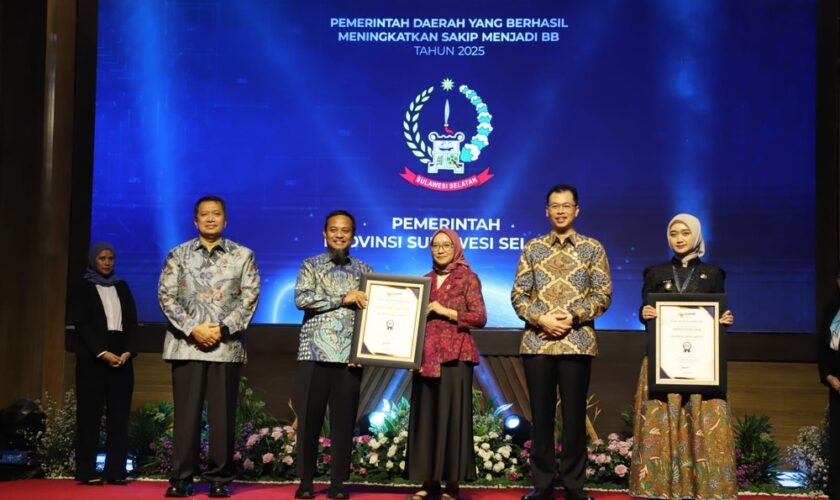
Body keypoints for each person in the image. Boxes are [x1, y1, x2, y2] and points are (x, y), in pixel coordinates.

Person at [511, 184, 612, 500]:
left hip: (577, 342)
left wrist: (573, 317)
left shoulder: (592, 248)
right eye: (555, 206)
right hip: (538, 343)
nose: (560, 211)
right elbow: (518, 295)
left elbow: (603, 294)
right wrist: (541, 319)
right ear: (547, 211)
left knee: (573, 417)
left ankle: (573, 486)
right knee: (541, 417)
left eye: (566, 205)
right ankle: (542, 485)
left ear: (576, 210)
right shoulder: (533, 248)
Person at [158, 195, 260, 498]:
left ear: (225, 220)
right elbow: (166, 296)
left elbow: (250, 297)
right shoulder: (177, 254)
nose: (211, 218)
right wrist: (194, 328)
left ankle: (219, 479)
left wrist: (222, 329)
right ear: (195, 220)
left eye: (216, 214)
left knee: (222, 418)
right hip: (185, 344)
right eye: (205, 214)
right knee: (186, 416)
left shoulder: (243, 255)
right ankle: (182, 479)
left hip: (225, 347)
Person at [629, 213, 737, 499]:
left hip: (702, 366)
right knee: (661, 424)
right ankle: (660, 488)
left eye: (685, 233)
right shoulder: (655, 272)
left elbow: (718, 312)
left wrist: (724, 319)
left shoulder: (713, 273)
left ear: (697, 236)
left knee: (702, 423)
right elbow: (646, 312)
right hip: (663, 363)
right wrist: (644, 313)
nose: (679, 238)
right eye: (673, 233)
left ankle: (704, 489)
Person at [294, 210, 372, 500]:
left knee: (343, 423)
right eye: (334, 230)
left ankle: (338, 483)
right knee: (309, 419)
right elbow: (302, 298)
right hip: (313, 354)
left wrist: (364, 350)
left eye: (345, 230)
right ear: (324, 233)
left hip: (349, 357)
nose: (340, 235)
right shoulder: (310, 265)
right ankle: (306, 482)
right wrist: (342, 298)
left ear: (353, 236)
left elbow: (372, 314)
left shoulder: (365, 270)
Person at [406, 228, 487, 500]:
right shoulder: (424, 281)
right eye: (435, 245)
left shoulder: (468, 278)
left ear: (456, 248)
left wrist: (445, 311)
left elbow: (479, 317)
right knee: (426, 419)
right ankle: (429, 482)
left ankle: (452, 484)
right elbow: (412, 323)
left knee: (453, 419)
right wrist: (409, 354)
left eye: (446, 245)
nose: (440, 250)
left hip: (456, 357)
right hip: (426, 358)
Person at [71, 242, 137, 486]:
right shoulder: (82, 287)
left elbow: (131, 322)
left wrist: (128, 351)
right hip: (93, 359)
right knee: (89, 416)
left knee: (119, 418)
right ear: (93, 260)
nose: (107, 262)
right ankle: (87, 471)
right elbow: (82, 324)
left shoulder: (122, 286)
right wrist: (102, 352)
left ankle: (115, 471)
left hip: (122, 357)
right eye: (102, 258)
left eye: (110, 258)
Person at [817, 270, 840, 499]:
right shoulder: (831, 310)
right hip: (837, 382)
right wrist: (830, 378)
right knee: (837, 439)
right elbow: (822, 347)